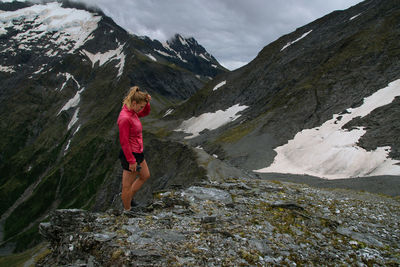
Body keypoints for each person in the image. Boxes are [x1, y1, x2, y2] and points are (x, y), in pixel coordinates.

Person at [117, 86, 151, 214]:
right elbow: (124, 142)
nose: (141, 109)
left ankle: (129, 199)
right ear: (134, 103)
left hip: (138, 152)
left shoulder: (132, 112)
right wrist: (131, 161)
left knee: (145, 175)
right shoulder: (125, 118)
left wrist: (147, 104)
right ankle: (127, 211)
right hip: (130, 155)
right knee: (126, 186)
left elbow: (145, 113)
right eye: (140, 106)